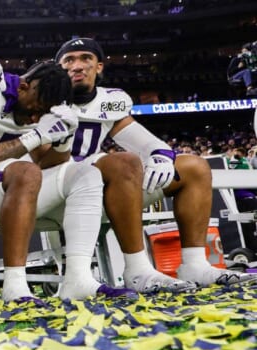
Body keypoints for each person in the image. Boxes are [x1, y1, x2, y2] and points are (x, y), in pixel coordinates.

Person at [55, 37, 257, 290]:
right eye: (69, 60)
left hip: (99, 192)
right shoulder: (43, 98)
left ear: (99, 67)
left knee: (194, 167)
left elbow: (151, 143)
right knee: (122, 162)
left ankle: (195, 264)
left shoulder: (109, 102)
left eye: (86, 58)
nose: (77, 65)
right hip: (57, 191)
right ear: (58, 68)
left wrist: (161, 156)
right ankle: (137, 270)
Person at [0, 58, 136, 302]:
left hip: (13, 190)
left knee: (86, 173)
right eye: (34, 110)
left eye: (41, 115)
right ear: (23, 87)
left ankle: (78, 278)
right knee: (26, 171)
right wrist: (35, 136)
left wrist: (63, 138)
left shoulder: (37, 106)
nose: (35, 118)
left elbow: (49, 162)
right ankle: (15, 286)